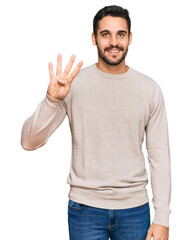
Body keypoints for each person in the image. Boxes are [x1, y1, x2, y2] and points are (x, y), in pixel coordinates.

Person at [21, 5, 171, 240]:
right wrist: (52, 100)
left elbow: (159, 155)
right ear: (94, 38)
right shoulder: (73, 85)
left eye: (121, 34)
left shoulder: (149, 89)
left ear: (130, 38)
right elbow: (28, 142)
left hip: (134, 209)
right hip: (84, 209)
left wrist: (162, 217)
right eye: (105, 34)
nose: (114, 42)